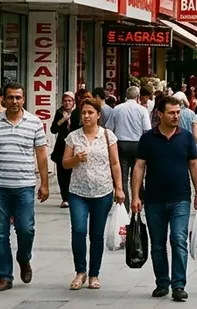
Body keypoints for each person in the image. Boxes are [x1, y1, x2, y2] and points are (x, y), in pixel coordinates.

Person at [0, 84, 50, 291]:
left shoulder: (34, 122)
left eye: (18, 97)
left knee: (26, 229)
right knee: (0, 233)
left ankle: (24, 258)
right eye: (10, 97)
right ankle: (5, 276)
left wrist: (44, 183)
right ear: (4, 100)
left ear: (24, 99)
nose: (14, 101)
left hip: (24, 186)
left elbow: (41, 153)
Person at [131, 97, 197, 302]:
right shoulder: (147, 138)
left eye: (178, 112)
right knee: (157, 243)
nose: (176, 116)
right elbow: (139, 167)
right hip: (154, 199)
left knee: (178, 240)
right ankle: (162, 282)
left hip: (180, 198)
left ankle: (179, 285)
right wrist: (136, 195)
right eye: (171, 113)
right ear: (160, 114)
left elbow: (194, 165)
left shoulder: (187, 137)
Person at [62, 97, 124, 290]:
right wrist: (75, 159)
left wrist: (119, 188)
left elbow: (115, 163)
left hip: (102, 191)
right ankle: (80, 271)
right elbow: (64, 163)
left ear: (98, 115)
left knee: (97, 235)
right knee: (79, 231)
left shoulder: (108, 136)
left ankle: (94, 274)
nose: (86, 116)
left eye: (90, 112)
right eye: (84, 112)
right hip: (78, 192)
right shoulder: (73, 136)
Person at [107, 86, 151, 208]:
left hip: (121, 144)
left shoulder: (117, 109)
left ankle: (124, 205)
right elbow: (147, 130)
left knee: (123, 176)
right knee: (137, 175)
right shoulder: (142, 110)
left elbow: (109, 128)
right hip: (137, 144)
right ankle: (138, 200)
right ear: (138, 96)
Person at [51, 92, 81, 208]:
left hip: (75, 146)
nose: (67, 103)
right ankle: (65, 198)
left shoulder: (78, 112)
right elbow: (53, 129)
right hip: (61, 147)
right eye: (65, 101)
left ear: (73, 102)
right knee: (62, 173)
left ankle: (74, 196)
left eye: (70, 101)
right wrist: (63, 120)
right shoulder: (59, 113)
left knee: (73, 173)